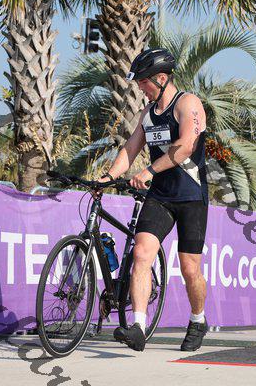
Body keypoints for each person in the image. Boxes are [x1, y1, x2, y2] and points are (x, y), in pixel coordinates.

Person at [97, 48, 209, 352]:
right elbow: (130, 149)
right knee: (142, 253)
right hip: (160, 196)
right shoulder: (147, 114)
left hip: (191, 197)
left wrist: (148, 171)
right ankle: (138, 327)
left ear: (161, 78)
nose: (140, 88)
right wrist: (107, 177)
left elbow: (185, 146)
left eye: (143, 82)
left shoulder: (188, 104)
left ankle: (198, 319)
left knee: (189, 269)